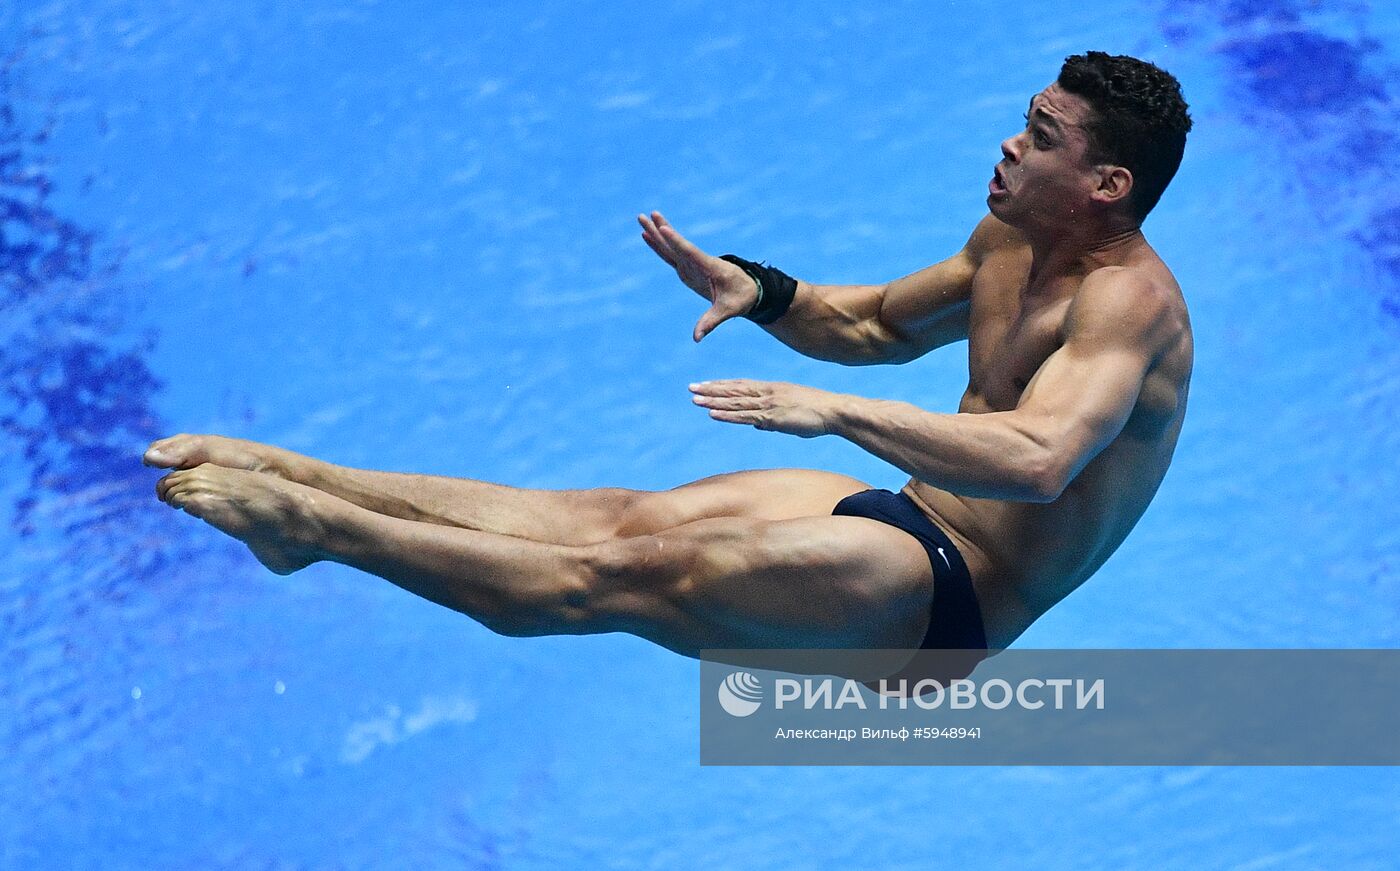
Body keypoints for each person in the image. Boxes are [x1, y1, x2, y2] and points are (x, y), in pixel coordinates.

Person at [145, 52, 1193, 690]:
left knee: (620, 581)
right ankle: (301, 477)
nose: (1008, 145)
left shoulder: (1128, 308)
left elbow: (1040, 457)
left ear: (1105, 181)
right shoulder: (1006, 239)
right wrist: (767, 293)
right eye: (1022, 120)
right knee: (611, 518)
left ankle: (317, 530)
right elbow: (873, 325)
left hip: (945, 604)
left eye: (1040, 137)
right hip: (902, 511)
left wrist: (835, 414)